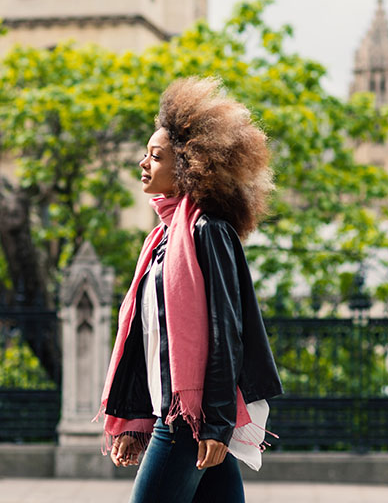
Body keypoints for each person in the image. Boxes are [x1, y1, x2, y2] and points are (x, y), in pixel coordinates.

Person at [96, 77, 283, 503]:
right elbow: (151, 340)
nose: (143, 162)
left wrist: (217, 424)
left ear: (189, 165)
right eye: (145, 153)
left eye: (156, 156)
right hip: (172, 416)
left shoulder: (207, 232)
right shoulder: (161, 240)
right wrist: (135, 417)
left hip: (188, 423)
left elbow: (225, 332)